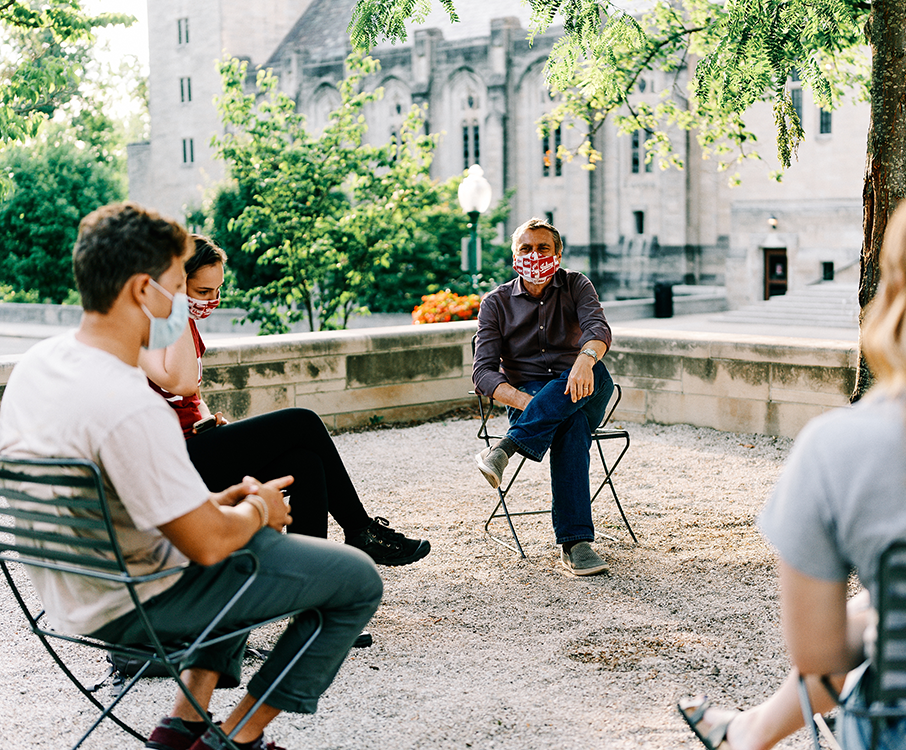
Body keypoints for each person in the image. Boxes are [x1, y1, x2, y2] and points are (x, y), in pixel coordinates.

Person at [0, 202, 384, 750]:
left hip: (69, 590)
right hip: (133, 601)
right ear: (142, 290)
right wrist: (257, 510)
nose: (187, 301)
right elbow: (205, 545)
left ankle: (182, 724)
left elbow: (134, 501)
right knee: (355, 580)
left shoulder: (38, 366)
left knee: (244, 522)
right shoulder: (131, 405)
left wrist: (223, 503)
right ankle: (235, 739)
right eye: (179, 286)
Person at [678, 183, 906, 750]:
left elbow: (818, 662)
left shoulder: (839, 448)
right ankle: (746, 730)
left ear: (897, 288)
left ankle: (748, 733)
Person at [139, 236, 430, 567]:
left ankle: (308, 568)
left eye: (217, 291)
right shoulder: (146, 323)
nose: (212, 301)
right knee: (302, 422)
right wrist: (177, 304)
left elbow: (190, 395)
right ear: (176, 282)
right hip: (174, 459)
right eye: (202, 292)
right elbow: (182, 381)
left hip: (198, 441)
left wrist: (207, 417)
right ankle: (360, 531)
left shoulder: (182, 323)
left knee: (305, 463)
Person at [472, 217, 614, 576]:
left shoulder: (576, 284)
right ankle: (576, 544)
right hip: (529, 395)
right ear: (514, 254)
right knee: (570, 424)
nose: (535, 255)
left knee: (593, 371)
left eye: (543, 248)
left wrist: (585, 359)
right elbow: (483, 372)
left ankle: (505, 448)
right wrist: (525, 402)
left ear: (559, 253)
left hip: (587, 385)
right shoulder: (496, 303)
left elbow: (598, 329)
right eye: (526, 248)